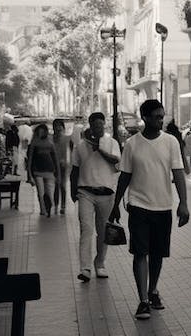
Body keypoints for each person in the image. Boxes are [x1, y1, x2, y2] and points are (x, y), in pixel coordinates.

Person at [109, 99, 189, 321]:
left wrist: (183, 203)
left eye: (162, 116)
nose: (161, 120)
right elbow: (125, 175)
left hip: (163, 206)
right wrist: (116, 204)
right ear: (144, 117)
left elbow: (179, 173)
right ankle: (143, 300)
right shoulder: (132, 144)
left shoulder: (171, 142)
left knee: (157, 254)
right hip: (138, 206)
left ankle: (153, 290)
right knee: (140, 252)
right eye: (156, 116)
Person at [70, 111, 120, 282]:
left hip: (106, 194)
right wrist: (72, 190)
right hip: (85, 192)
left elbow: (116, 162)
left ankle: (100, 263)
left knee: (103, 232)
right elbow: (75, 169)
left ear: (104, 125)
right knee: (86, 230)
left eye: (101, 125)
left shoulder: (112, 142)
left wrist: (100, 150)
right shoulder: (80, 146)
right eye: (95, 125)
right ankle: (85, 268)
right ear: (90, 126)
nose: (98, 128)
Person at [26, 123, 61, 217]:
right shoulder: (33, 144)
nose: (41, 133)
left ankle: (47, 208)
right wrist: (29, 175)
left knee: (49, 192)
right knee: (40, 192)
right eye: (39, 131)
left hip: (50, 171)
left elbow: (55, 159)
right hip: (37, 171)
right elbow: (30, 160)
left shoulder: (50, 143)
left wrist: (58, 173)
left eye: (43, 131)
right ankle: (43, 209)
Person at [52, 118, 71, 215]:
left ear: (63, 127)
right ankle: (55, 205)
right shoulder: (50, 138)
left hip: (63, 165)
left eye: (60, 126)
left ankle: (63, 206)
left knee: (62, 186)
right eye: (56, 125)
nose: (58, 128)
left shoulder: (66, 138)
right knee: (56, 186)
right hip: (53, 166)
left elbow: (71, 150)